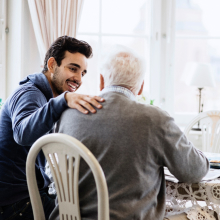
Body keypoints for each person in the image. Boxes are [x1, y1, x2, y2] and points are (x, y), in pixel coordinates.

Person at [49, 46, 209, 220]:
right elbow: (194, 171)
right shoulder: (155, 119)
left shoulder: (66, 114)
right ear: (140, 87)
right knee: (205, 213)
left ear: (102, 81)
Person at [0, 36, 105, 220]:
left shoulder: (45, 96)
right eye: (73, 68)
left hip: (24, 195)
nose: (78, 79)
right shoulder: (29, 93)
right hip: (15, 202)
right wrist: (62, 100)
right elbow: (22, 134)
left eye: (83, 73)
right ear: (51, 64)